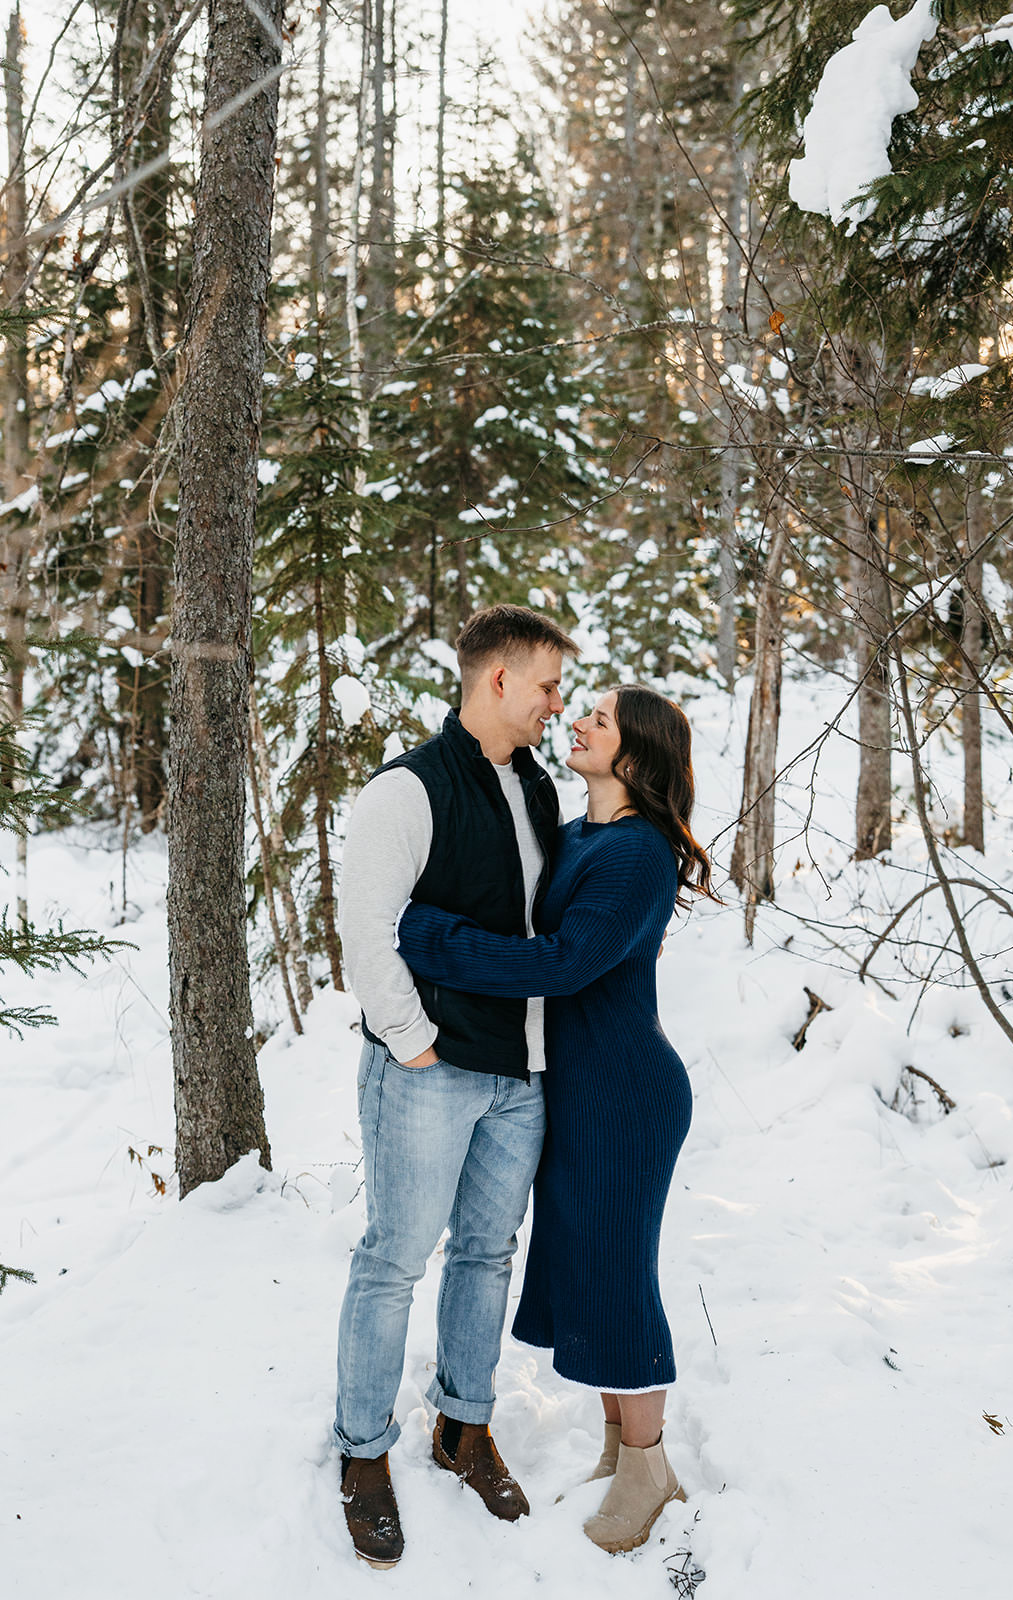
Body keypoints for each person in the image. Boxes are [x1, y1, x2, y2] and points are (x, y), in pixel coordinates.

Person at [398, 683, 713, 1554]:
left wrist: (430, 940)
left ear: (637, 756)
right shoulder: (579, 835)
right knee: (585, 1264)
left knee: (616, 1274)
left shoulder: (640, 853)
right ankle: (620, 1452)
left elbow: (567, 963)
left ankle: (651, 1466)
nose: (577, 721)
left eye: (599, 719)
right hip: (576, 1088)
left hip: (624, 1094)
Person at [334, 604, 579, 1569]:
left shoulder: (539, 791)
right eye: (549, 686)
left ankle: (461, 1426)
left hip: (520, 1075)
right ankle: (362, 1452)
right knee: (395, 1257)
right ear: (498, 682)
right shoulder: (406, 790)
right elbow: (366, 927)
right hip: (429, 1072)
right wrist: (410, 1041)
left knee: (485, 1253)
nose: (557, 704)